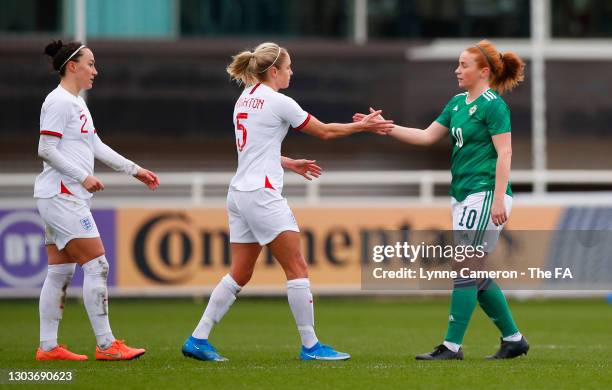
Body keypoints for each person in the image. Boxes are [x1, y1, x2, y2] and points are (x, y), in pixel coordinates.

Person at [182, 42, 394, 361]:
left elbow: (255, 149)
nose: (292, 72)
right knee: (297, 267)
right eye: (289, 67)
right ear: (274, 71)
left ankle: (198, 339)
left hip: (239, 193)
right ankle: (311, 346)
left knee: (240, 272)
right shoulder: (279, 101)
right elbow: (324, 132)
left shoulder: (245, 98)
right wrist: (362, 126)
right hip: (262, 195)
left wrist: (287, 162)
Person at [355, 39, 529, 360]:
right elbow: (426, 136)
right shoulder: (457, 103)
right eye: (458, 64)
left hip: (485, 193)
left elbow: (505, 152)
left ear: (484, 71)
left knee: (465, 266)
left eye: (464, 65)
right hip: (462, 194)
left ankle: (451, 347)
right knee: (474, 271)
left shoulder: (493, 105)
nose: (457, 70)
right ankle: (513, 339)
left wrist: (499, 199)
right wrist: (385, 127)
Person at [35, 40, 160, 361]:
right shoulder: (59, 102)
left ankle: (48, 348)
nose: (95, 70)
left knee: (60, 273)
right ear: (72, 66)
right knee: (98, 265)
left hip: (60, 195)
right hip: (62, 195)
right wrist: (82, 176)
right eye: (90, 64)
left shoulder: (76, 103)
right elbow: (45, 149)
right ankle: (106, 344)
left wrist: (135, 170)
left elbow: (96, 146)